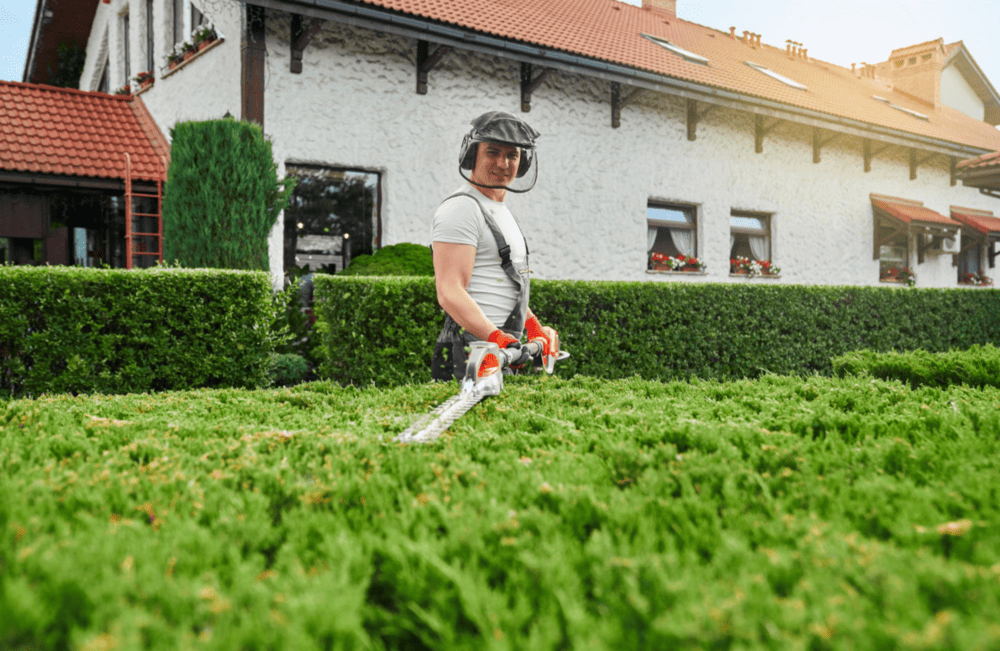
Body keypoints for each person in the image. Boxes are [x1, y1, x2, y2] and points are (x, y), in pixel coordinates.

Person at [430, 111, 557, 381]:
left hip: (502, 353)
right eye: (493, 152)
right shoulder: (462, 208)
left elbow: (505, 281)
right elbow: (448, 291)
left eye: (512, 155)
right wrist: (496, 336)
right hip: (469, 355)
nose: (503, 163)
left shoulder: (500, 210)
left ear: (523, 163)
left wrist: (532, 326)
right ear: (471, 155)